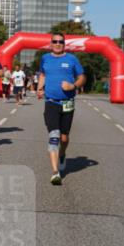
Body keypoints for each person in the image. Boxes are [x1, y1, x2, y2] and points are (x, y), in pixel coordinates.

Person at [37, 32, 85, 185]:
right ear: (51, 43)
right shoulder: (45, 58)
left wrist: (73, 86)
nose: (58, 44)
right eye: (55, 41)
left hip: (67, 102)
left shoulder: (72, 59)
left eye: (60, 42)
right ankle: (55, 172)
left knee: (64, 138)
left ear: (64, 44)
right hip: (51, 102)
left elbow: (82, 77)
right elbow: (43, 74)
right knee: (54, 136)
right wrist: (39, 88)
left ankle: (62, 154)